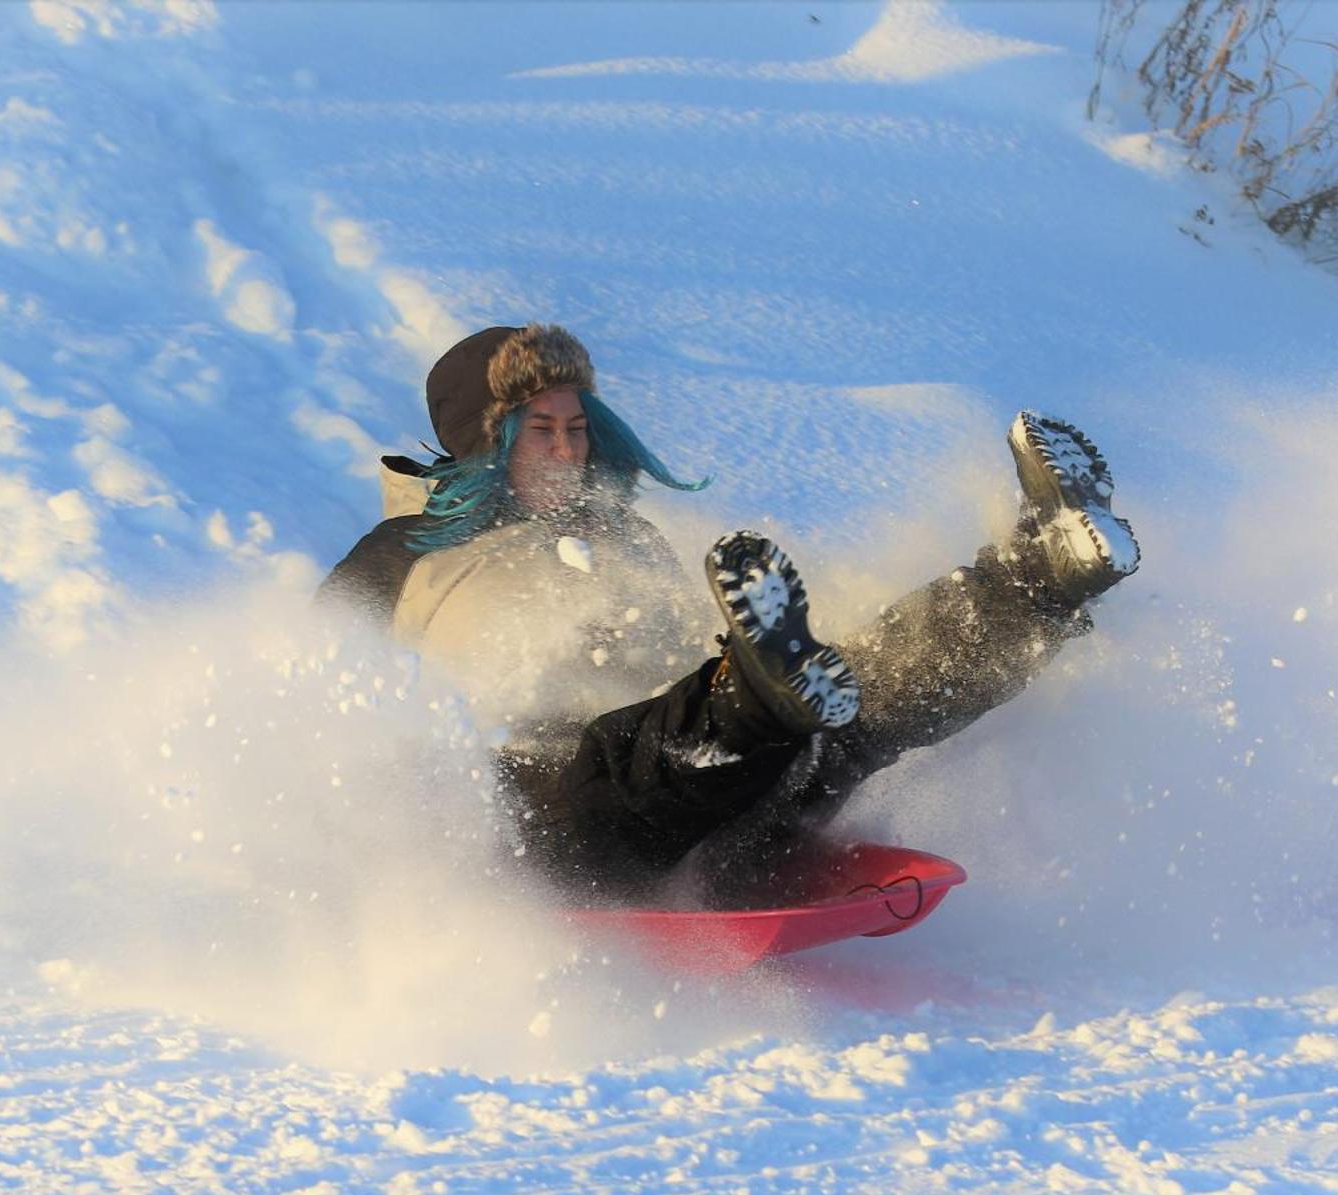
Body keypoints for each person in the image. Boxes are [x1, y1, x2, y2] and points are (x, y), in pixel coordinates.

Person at [318, 324, 1139, 904]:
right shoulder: (407, 552)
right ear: (485, 445)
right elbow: (308, 696)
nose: (569, 450)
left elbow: (682, 652)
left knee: (845, 713)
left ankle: (1038, 578)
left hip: (720, 818)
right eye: (541, 431)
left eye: (578, 428)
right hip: (550, 835)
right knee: (625, 754)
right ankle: (755, 698)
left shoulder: (627, 540)